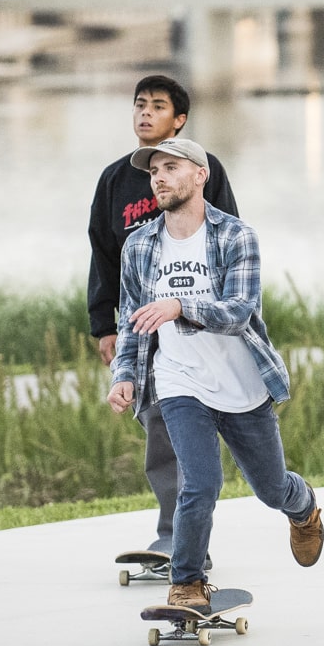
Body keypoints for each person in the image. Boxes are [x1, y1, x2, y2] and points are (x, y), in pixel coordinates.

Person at [107, 137, 323, 611]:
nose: (158, 178)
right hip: (180, 381)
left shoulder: (235, 236)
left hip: (242, 384)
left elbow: (239, 312)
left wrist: (180, 306)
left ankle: (302, 506)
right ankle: (186, 581)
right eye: (153, 171)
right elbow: (131, 322)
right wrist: (123, 375)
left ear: (200, 175)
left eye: (170, 167)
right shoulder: (139, 245)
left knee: (270, 488)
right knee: (200, 483)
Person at [86, 73, 238, 555]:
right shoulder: (114, 179)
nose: (145, 113)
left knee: (203, 432)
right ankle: (175, 538)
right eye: (139, 104)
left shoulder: (203, 169)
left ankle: (189, 537)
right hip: (142, 331)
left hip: (197, 325)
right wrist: (103, 325)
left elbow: (229, 238)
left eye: (157, 105)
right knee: (158, 428)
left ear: (180, 120)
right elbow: (102, 254)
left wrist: (224, 315)